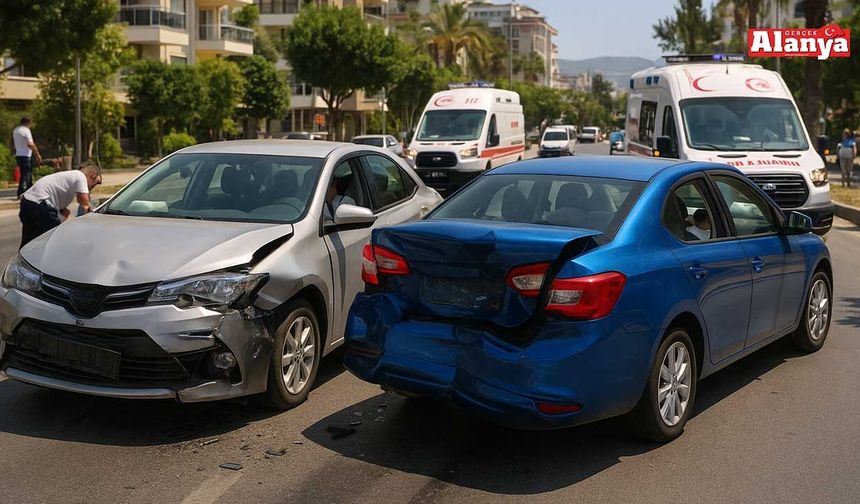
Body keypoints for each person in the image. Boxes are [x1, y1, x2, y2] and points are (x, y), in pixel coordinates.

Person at [19, 160, 102, 249]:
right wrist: (90, 220)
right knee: (56, 237)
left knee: (29, 240)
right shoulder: (81, 176)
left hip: (27, 201)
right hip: (40, 203)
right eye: (96, 183)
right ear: (92, 175)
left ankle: (24, 256)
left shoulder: (71, 176)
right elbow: (84, 202)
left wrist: (62, 211)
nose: (93, 187)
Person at [12, 117, 42, 198]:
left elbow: (13, 143)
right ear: (27, 123)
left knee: (25, 174)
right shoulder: (26, 130)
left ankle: (29, 191)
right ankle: (22, 192)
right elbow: (30, 144)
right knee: (26, 174)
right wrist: (37, 155)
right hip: (26, 155)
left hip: (18, 154)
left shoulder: (16, 130)